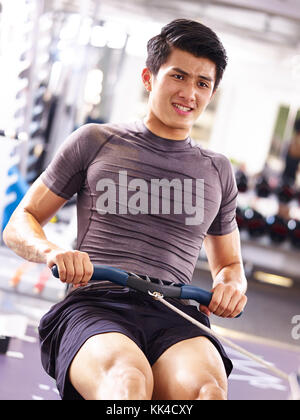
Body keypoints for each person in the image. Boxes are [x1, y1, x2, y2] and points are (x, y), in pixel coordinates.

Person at [3, 19, 247, 400]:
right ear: (149, 77)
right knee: (127, 387)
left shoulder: (217, 169)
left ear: (212, 92)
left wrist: (230, 287)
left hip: (176, 315)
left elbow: (229, 265)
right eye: (178, 76)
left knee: (206, 393)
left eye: (202, 83)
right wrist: (53, 252)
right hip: (97, 305)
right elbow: (20, 221)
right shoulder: (95, 141)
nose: (189, 93)